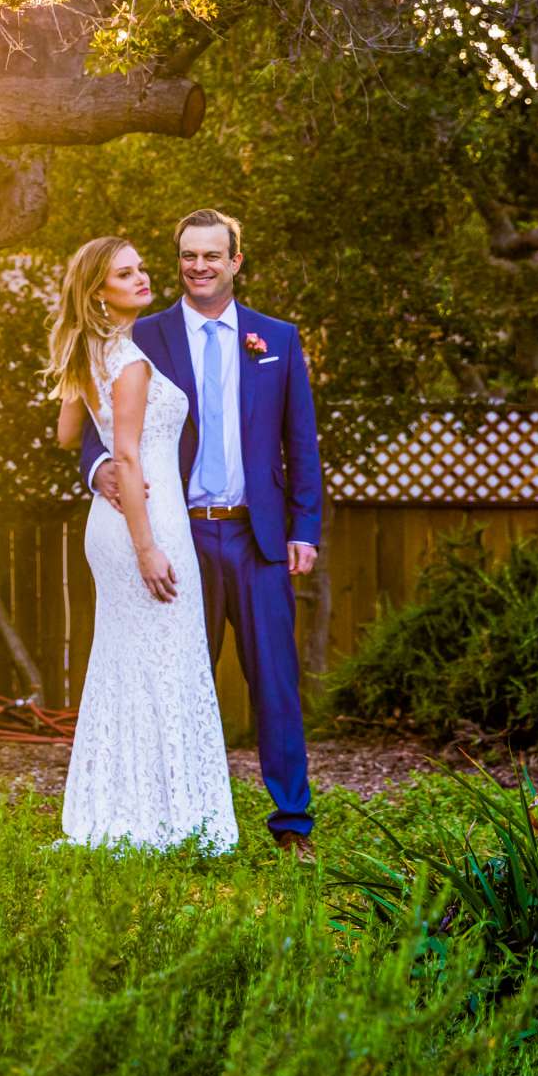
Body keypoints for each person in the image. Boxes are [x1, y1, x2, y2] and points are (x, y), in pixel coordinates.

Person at [77, 209, 322, 859]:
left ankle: (291, 822)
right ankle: (176, 814)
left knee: (275, 681)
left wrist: (306, 526)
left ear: (236, 262)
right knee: (181, 676)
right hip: (178, 533)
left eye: (213, 255)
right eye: (188, 255)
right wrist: (99, 469)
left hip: (258, 537)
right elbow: (95, 421)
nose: (199, 266)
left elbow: (301, 439)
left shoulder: (278, 339)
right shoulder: (144, 332)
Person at [48, 235, 239, 853]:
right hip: (143, 526)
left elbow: (66, 432)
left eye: (139, 268)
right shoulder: (128, 363)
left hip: (114, 521)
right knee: (162, 662)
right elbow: (128, 455)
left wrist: (96, 459)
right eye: (123, 274)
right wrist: (147, 548)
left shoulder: (93, 355)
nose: (141, 278)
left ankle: (131, 805)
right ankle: (166, 816)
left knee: (130, 664)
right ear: (98, 293)